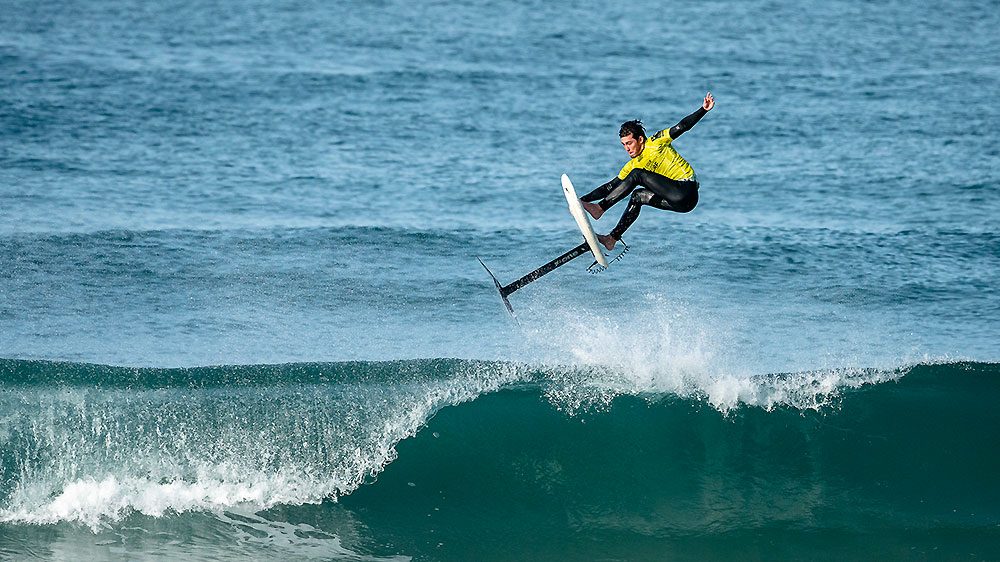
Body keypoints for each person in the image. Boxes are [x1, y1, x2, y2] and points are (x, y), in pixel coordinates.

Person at [580, 92, 715, 251]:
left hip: (686, 191)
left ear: (640, 139)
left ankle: (600, 208)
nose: (627, 148)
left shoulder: (656, 142)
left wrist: (703, 110)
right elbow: (611, 187)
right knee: (638, 196)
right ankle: (612, 239)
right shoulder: (632, 165)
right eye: (624, 145)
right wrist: (582, 201)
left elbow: (682, 126)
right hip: (678, 204)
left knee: (638, 174)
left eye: (629, 143)